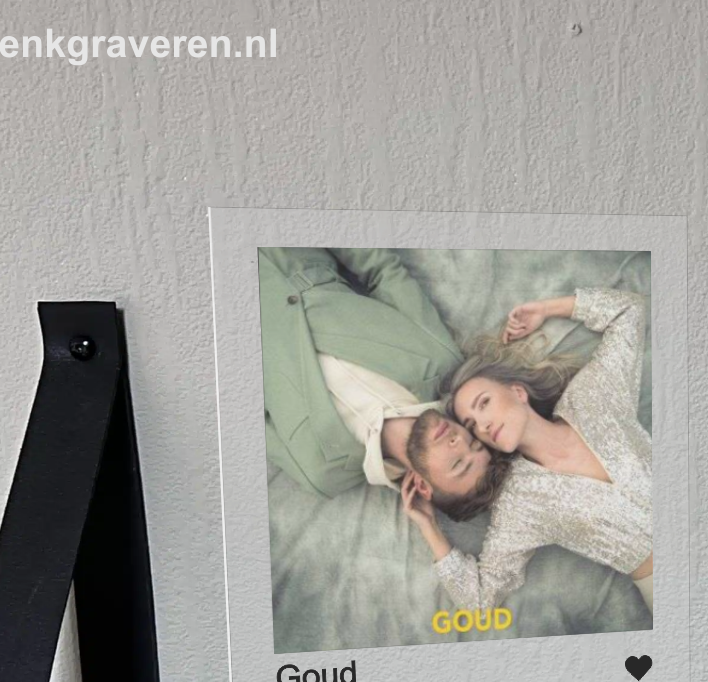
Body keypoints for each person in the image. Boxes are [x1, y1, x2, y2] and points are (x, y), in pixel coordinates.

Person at [401, 287, 654, 612]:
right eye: (472, 425)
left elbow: (629, 311)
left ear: (518, 392)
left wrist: (547, 308)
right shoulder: (517, 503)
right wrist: (428, 527)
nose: (483, 425)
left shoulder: (592, 396)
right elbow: (480, 599)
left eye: (484, 403)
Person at [259, 247, 499, 508]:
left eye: (458, 463)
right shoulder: (441, 362)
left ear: (422, 485)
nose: (459, 440)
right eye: (474, 443)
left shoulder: (322, 473)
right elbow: (384, 270)